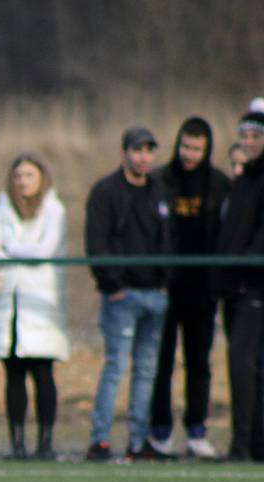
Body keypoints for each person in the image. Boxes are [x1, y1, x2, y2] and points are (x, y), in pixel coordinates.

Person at [85, 126, 172, 462]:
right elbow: (97, 242)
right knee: (115, 366)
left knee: (147, 369)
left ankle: (138, 442)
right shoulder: (106, 191)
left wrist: (166, 281)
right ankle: (101, 439)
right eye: (137, 150)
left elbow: (168, 241)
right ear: (124, 153)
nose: (143, 157)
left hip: (155, 294)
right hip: (122, 296)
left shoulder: (160, 192)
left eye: (149, 151)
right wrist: (112, 284)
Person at [147, 117, 231, 459]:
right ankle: (160, 430)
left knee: (198, 362)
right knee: (162, 362)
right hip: (167, 289)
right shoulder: (160, 182)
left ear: (206, 149)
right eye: (185, 146)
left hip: (202, 290)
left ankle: (197, 430)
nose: (189, 154)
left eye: (196, 148)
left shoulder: (219, 185)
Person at [0, 152, 69, 459]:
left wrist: (11, 249)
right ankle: (16, 443)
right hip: (9, 302)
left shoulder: (54, 210)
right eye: (18, 176)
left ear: (41, 178)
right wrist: (16, 254)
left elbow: (45, 249)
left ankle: (46, 443)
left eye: (29, 175)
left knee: (43, 372)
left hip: (41, 301)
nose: (22, 182)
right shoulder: (1, 210)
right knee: (13, 373)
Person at [211, 109, 264, 460]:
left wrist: (245, 268)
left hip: (255, 287)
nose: (247, 143)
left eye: (255, 137)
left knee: (246, 362)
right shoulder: (243, 181)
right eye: (243, 136)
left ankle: (246, 445)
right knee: (244, 364)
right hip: (235, 289)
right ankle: (248, 442)